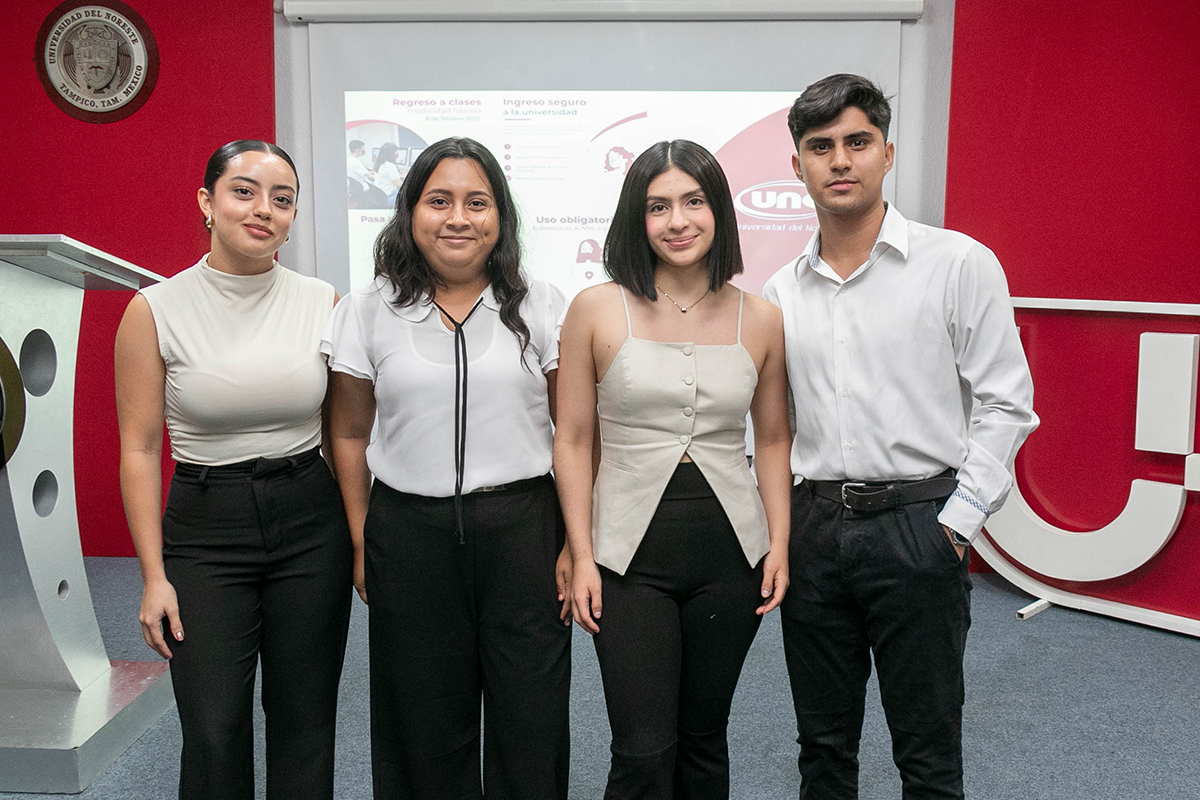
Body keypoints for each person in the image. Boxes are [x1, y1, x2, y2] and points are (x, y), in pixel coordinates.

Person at [762, 74, 1039, 799]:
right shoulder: (780, 292)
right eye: (820, 146)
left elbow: (1007, 403)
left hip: (919, 525)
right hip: (816, 529)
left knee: (928, 751)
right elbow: (773, 426)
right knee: (822, 749)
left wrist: (958, 522)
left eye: (857, 141)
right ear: (797, 166)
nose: (839, 160)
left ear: (887, 154)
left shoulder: (958, 263)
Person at [323, 136, 571, 799]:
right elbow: (347, 431)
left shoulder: (543, 304)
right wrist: (360, 538)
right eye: (439, 201)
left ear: (500, 217)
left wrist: (575, 541)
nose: (458, 218)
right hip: (409, 533)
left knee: (531, 718)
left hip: (524, 529)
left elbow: (576, 432)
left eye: (476, 202)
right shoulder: (367, 308)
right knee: (422, 722)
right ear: (410, 211)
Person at [115, 139, 352, 799]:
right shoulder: (155, 309)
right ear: (207, 202)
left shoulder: (323, 301)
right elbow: (140, 448)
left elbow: (342, 432)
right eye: (244, 191)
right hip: (205, 529)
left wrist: (357, 538)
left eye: (283, 199)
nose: (263, 210)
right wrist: (153, 576)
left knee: (305, 721)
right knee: (213, 728)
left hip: (310, 521)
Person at [555, 139, 793, 798]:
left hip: (731, 557)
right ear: (636, 218)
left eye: (694, 201)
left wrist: (779, 543)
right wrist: (579, 553)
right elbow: (572, 439)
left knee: (704, 740)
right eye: (657, 206)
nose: (677, 221)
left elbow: (774, 440)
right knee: (642, 750)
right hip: (626, 558)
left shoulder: (762, 318)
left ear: (719, 211)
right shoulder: (594, 308)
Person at [372, 142, 404, 208]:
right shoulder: (390, 165)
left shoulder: (379, 164)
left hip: (379, 195)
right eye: (395, 151)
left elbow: (388, 177)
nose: (397, 153)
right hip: (389, 197)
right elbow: (398, 184)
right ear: (390, 153)